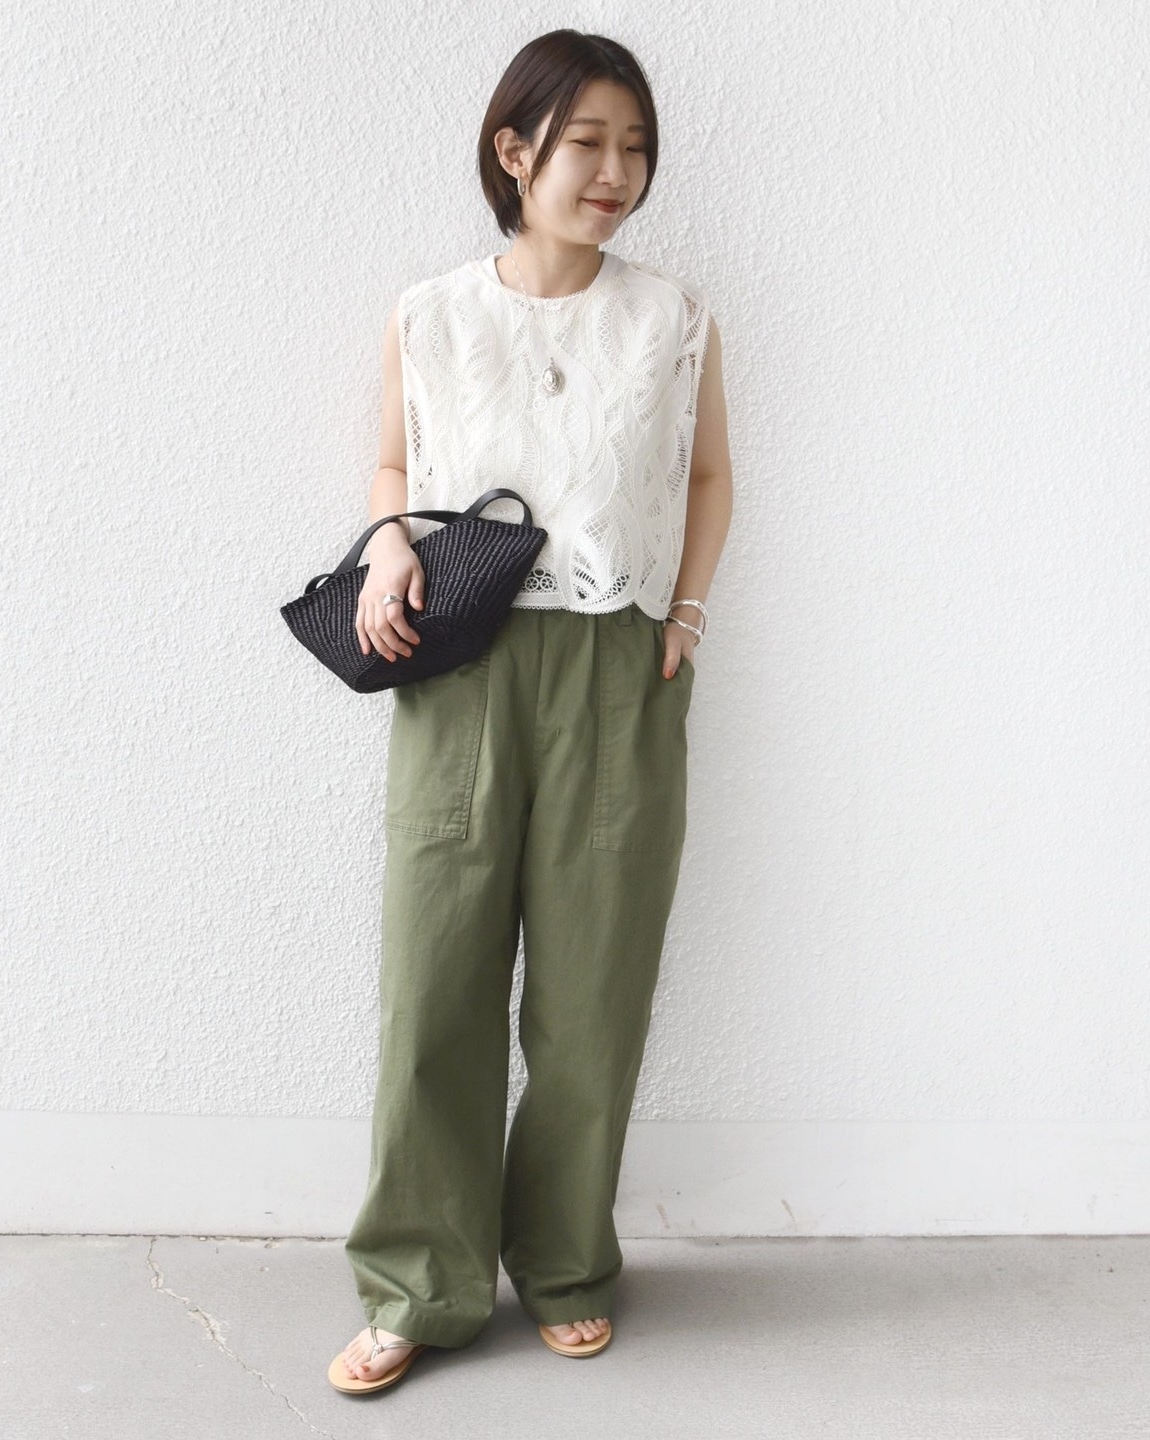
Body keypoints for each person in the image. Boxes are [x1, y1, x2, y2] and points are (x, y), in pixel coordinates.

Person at [328, 28, 733, 1395]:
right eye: (587, 144)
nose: (616, 172)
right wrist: (388, 545)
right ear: (516, 151)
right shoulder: (431, 314)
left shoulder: (674, 318)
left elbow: (710, 478)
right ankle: (416, 1282)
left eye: (636, 148)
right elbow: (393, 463)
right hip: (461, 661)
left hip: (620, 666)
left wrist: (685, 618)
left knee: (591, 990)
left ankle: (563, 1261)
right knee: (434, 977)